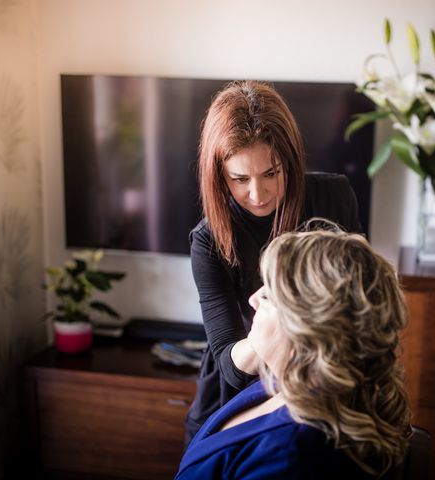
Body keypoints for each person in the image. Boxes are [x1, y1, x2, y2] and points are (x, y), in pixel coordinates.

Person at [186, 80, 362, 444]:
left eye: (271, 173)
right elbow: (232, 367)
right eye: (239, 179)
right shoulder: (208, 242)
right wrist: (274, 319)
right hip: (238, 394)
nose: (257, 194)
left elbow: (361, 309)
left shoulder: (335, 198)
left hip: (326, 388)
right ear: (218, 175)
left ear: (291, 161)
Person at [175, 228, 412, 479]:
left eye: (269, 295)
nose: (253, 300)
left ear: (304, 324)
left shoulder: (292, 457)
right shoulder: (283, 380)